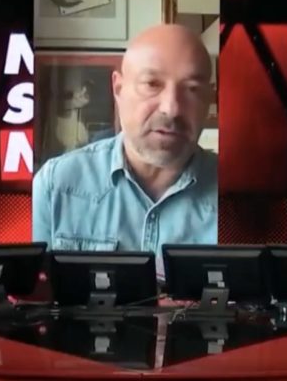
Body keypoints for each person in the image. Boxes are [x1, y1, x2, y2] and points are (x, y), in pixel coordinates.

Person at [33, 24, 218, 265]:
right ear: (118, 89)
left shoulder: (238, 199)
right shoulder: (55, 185)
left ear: (209, 99)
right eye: (152, 84)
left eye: (192, 89)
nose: (171, 108)